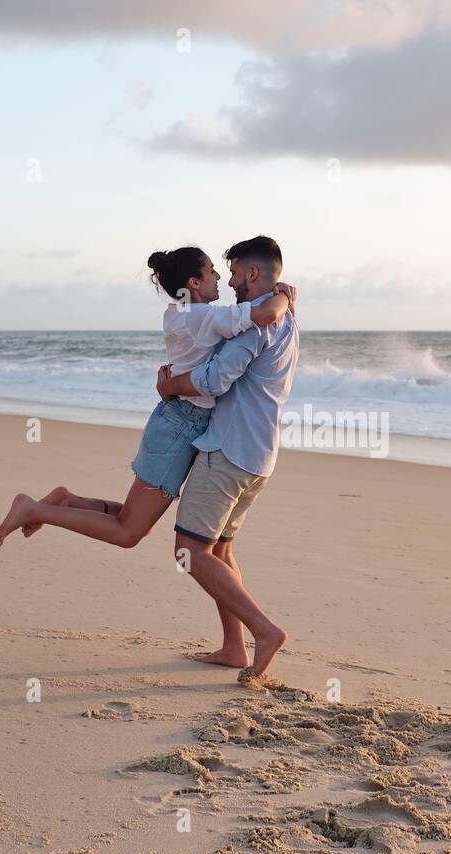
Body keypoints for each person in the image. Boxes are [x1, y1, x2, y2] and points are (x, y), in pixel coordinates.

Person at [0, 245, 293, 551]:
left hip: (178, 420)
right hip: (181, 426)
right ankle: (35, 509)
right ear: (194, 283)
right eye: (212, 271)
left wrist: (171, 386)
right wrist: (284, 295)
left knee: (132, 520)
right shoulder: (204, 317)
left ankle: (65, 502)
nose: (221, 278)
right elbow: (267, 314)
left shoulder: (180, 314)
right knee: (128, 532)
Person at [155, 236, 298, 681]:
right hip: (260, 458)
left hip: (228, 453)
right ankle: (234, 647)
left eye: (233, 273)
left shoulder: (256, 326)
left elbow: (215, 380)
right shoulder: (288, 315)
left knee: (188, 552)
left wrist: (171, 386)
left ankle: (264, 630)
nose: (230, 282)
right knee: (219, 549)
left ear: (252, 273)